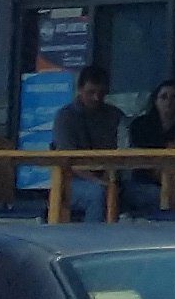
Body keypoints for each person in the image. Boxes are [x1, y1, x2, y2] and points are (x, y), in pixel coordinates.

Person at [48, 57, 124, 212]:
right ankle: (95, 235)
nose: (96, 97)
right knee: (98, 194)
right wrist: (99, 181)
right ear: (80, 89)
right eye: (91, 92)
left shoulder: (114, 115)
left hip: (111, 178)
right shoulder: (65, 117)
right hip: (71, 181)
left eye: (101, 93)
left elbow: (124, 151)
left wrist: (112, 179)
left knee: (151, 194)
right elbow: (68, 160)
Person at [124, 73, 175, 216]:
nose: (169, 102)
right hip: (145, 183)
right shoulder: (140, 125)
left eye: (174, 97)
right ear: (155, 101)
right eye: (164, 97)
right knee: (162, 197)